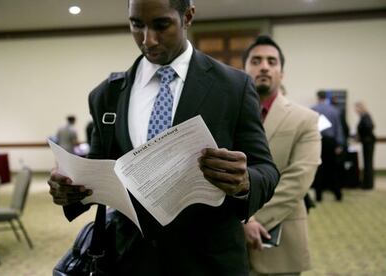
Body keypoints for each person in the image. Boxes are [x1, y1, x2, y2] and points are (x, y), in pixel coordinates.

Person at [47, 0, 279, 275]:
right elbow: (98, 170)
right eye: (137, 25)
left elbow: (266, 170)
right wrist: (69, 190)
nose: (148, 39)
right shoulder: (107, 95)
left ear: (188, 16)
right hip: (130, 259)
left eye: (161, 25)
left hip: (207, 261)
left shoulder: (233, 87)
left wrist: (244, 182)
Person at [242, 35, 321, 275]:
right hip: (227, 246)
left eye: (271, 61)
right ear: (244, 70)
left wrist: (251, 221)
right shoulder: (226, 115)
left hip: (279, 239)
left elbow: (298, 180)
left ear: (281, 73)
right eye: (256, 61)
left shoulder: (305, 119)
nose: (264, 66)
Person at [311, 91, 344, 202]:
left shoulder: (313, 109)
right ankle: (338, 194)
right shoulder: (334, 110)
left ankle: (318, 196)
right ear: (327, 97)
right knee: (332, 169)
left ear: (318, 97)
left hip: (317, 141)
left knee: (318, 169)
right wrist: (339, 144)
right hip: (331, 142)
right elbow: (338, 128)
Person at [355, 101, 376, 189]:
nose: (355, 110)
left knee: (368, 163)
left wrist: (362, 135)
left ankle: (368, 184)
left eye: (356, 108)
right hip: (367, 141)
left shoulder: (365, 116)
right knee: (367, 163)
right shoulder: (364, 116)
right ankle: (367, 183)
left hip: (368, 142)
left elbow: (370, 126)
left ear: (360, 108)